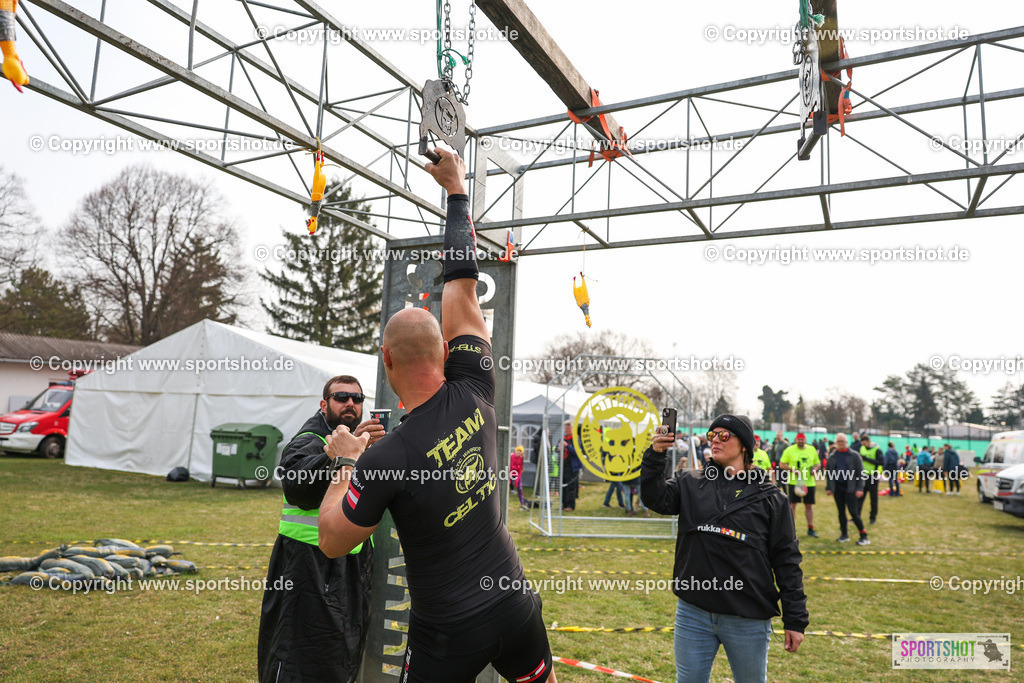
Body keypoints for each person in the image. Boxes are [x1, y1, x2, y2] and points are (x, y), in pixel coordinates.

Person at [316, 148, 556, 683]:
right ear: (446, 352)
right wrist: (455, 190)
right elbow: (462, 285)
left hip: (448, 631)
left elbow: (332, 539)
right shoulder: (475, 388)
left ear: (386, 361)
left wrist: (347, 462)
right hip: (514, 602)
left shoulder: (386, 456)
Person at [642, 414, 807, 683]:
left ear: (745, 445)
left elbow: (787, 560)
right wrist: (655, 454)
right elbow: (655, 499)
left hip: (747, 616)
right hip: (693, 612)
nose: (715, 440)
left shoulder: (771, 497)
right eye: (711, 435)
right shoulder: (691, 482)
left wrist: (795, 620)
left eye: (724, 435)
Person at [258, 375, 384, 682]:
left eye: (357, 398)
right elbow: (296, 488)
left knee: (340, 656)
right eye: (341, 397)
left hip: (349, 567)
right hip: (307, 571)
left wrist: (358, 452)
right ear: (323, 404)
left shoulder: (355, 443)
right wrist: (336, 457)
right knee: (298, 660)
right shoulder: (309, 440)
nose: (351, 403)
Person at [825, 433, 870, 545]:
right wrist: (829, 487)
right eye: (838, 442)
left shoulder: (855, 456)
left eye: (842, 442)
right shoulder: (832, 456)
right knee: (841, 512)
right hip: (838, 488)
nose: (840, 444)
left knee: (853, 512)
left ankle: (863, 536)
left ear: (846, 442)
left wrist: (860, 488)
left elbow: (860, 473)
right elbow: (829, 473)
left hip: (851, 488)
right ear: (836, 443)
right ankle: (844, 535)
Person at [779, 433, 821, 538]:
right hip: (794, 482)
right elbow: (782, 464)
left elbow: (818, 463)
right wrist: (793, 470)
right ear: (796, 440)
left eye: (802, 439)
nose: (801, 441)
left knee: (809, 505)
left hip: (809, 482)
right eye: (799, 439)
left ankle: (810, 529)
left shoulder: (811, 449)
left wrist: (815, 470)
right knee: (793, 505)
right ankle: (791, 530)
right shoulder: (789, 450)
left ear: (805, 440)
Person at [858, 434, 884, 524]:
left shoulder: (877, 450)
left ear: (869, 442)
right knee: (859, 497)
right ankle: (857, 516)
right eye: (862, 444)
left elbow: (881, 462)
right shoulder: (861, 449)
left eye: (865, 443)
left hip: (873, 477)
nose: (863, 445)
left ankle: (872, 518)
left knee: (873, 499)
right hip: (863, 476)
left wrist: (866, 459)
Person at [561, 422, 582, 511]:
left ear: (572, 429)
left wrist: (567, 446)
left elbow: (577, 452)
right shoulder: (563, 438)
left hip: (572, 466)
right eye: (566, 428)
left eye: (569, 428)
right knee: (563, 486)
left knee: (571, 486)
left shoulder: (576, 439)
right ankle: (564, 503)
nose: (567, 430)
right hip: (564, 465)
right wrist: (559, 448)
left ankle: (570, 505)